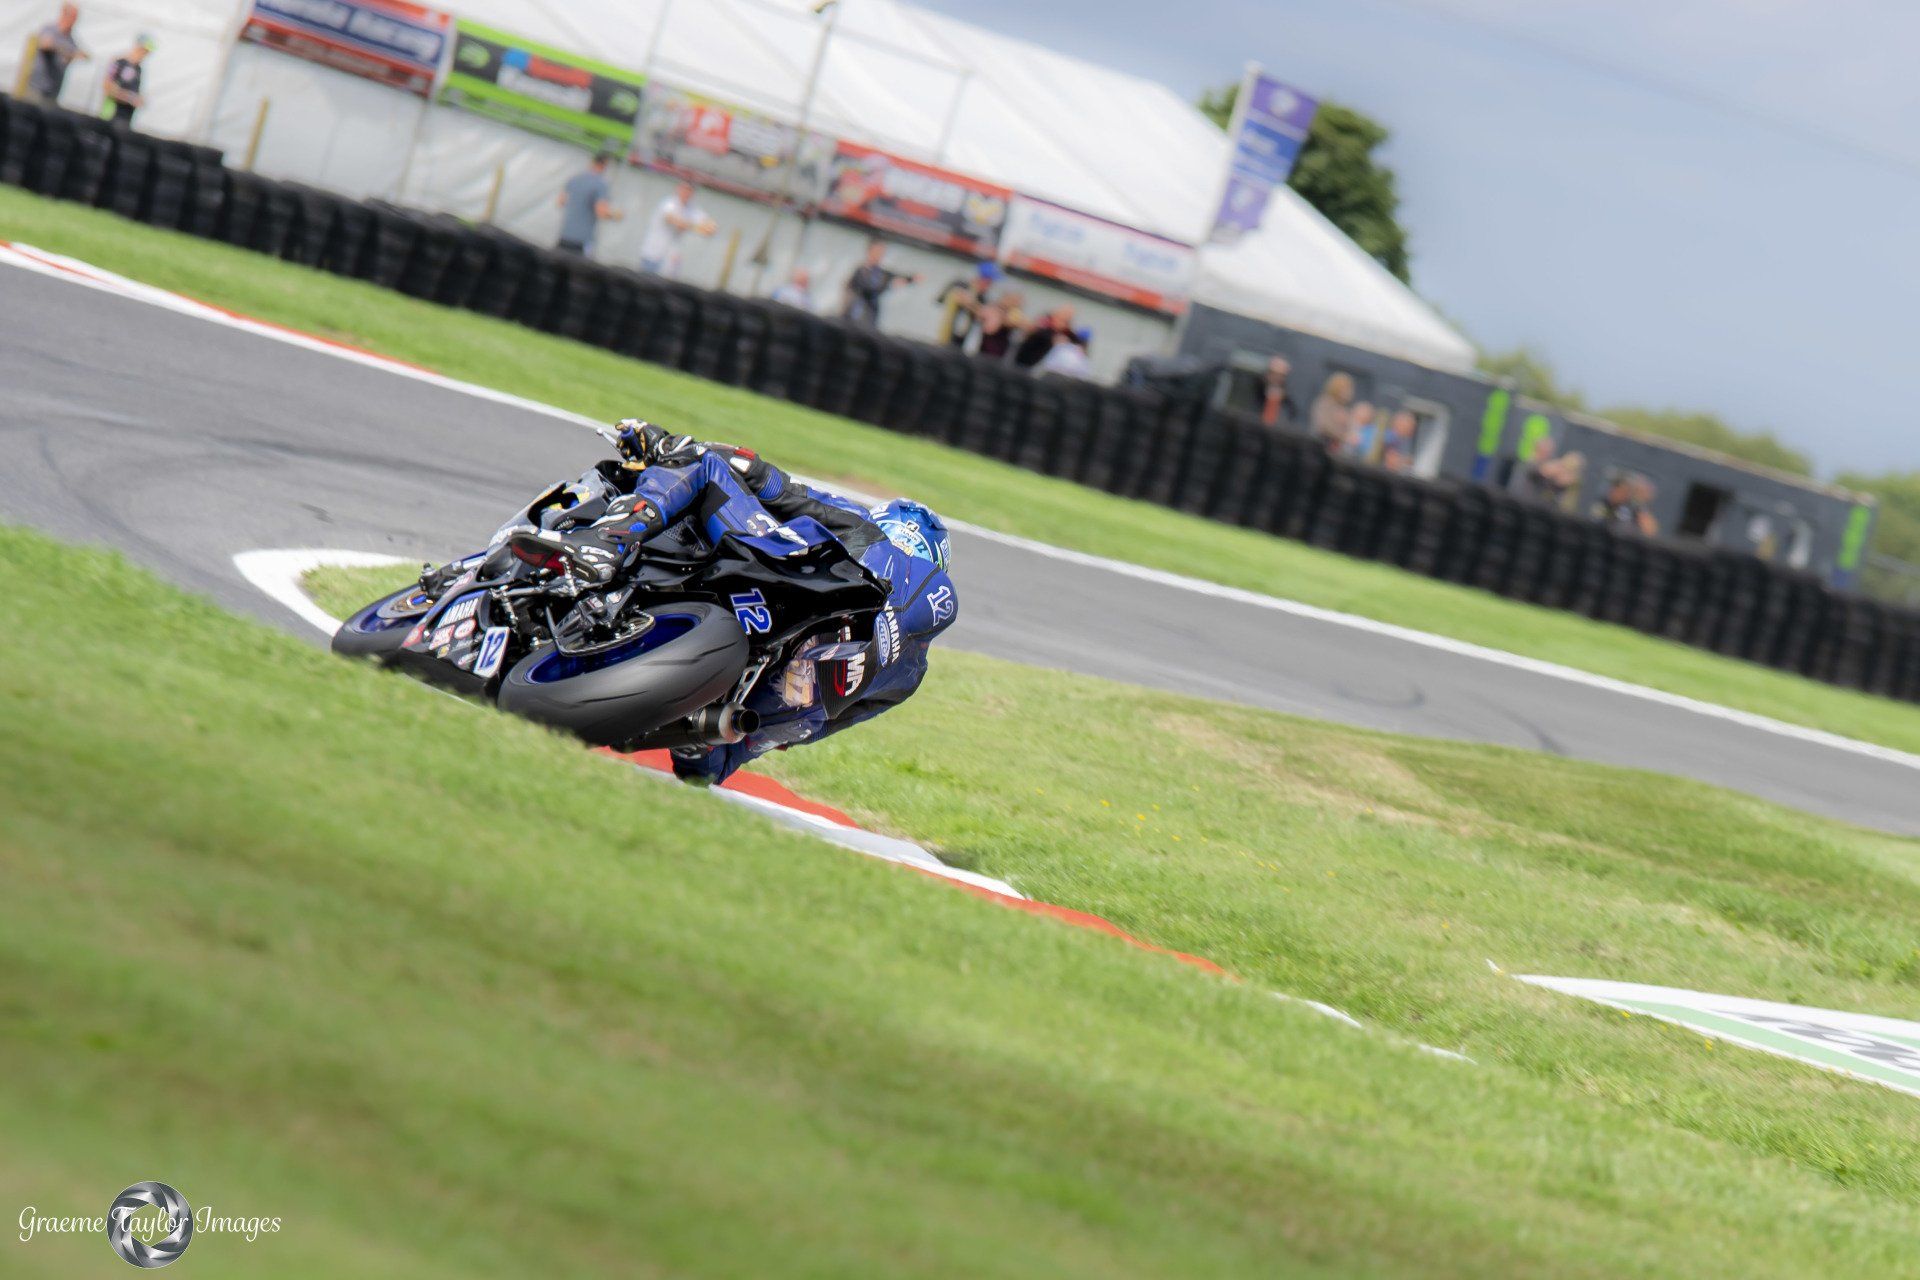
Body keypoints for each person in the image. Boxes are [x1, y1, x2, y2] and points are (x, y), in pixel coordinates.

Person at [548, 421, 958, 785]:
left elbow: (771, 482)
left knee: (703, 465)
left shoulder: (864, 528)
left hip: (776, 588)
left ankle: (606, 543)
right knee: (713, 766)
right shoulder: (907, 678)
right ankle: (697, 737)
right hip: (785, 700)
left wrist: (667, 444)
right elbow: (827, 726)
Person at [638, 180, 716, 278]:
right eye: (685, 189)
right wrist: (695, 227)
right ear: (678, 189)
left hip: (670, 260)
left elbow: (710, 225)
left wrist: (709, 227)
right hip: (653, 255)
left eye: (690, 190)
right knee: (646, 281)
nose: (686, 193)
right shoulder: (669, 203)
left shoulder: (692, 209)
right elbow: (672, 219)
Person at [841, 239, 920, 328]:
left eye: (882, 252)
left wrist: (912, 279)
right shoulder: (860, 271)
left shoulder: (881, 273)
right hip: (853, 316)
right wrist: (889, 285)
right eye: (877, 251)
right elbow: (868, 289)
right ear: (870, 251)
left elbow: (898, 277)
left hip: (869, 320)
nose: (879, 255)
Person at [556, 154, 620, 256]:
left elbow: (560, 202)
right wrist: (615, 215)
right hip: (582, 240)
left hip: (565, 235)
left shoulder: (575, 179)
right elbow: (601, 213)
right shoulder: (600, 185)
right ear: (604, 166)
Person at [25, 3, 87, 108]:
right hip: (36, 87)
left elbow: (83, 55)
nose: (74, 21)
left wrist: (72, 54)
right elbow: (45, 44)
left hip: (52, 92)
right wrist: (65, 51)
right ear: (64, 15)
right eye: (73, 17)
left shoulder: (70, 39)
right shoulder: (50, 29)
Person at [937, 260, 1000, 348]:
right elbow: (957, 297)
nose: (990, 285)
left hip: (959, 341)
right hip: (941, 335)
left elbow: (985, 317)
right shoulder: (960, 284)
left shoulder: (982, 297)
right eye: (989, 282)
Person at [100, 33, 152, 128]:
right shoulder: (119, 62)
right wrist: (129, 98)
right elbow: (107, 88)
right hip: (111, 114)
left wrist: (139, 99)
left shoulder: (138, 69)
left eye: (147, 53)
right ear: (137, 47)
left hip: (125, 118)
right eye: (143, 51)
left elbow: (134, 91)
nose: (144, 55)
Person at [1012, 304, 1073, 368]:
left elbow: (1072, 339)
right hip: (1024, 355)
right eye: (1065, 314)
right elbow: (1037, 331)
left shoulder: (1065, 329)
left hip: (1038, 361)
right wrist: (1053, 338)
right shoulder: (1045, 320)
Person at [973, 289, 1025, 360]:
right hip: (983, 348)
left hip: (997, 353)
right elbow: (989, 329)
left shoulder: (1014, 315)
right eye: (1012, 300)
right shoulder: (992, 309)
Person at [1309, 372, 1354, 452]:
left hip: (1334, 449)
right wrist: (1343, 436)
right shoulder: (1325, 402)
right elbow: (1324, 425)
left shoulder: (1343, 408)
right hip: (1320, 445)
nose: (1349, 392)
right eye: (1346, 389)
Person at [1259, 355, 1297, 427]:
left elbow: (1290, 418)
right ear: (1267, 374)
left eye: (1281, 375)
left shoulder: (1287, 402)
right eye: (1274, 374)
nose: (1277, 378)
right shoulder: (1255, 392)